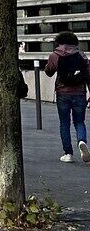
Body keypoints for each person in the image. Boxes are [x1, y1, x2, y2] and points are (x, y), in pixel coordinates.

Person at [44, 31, 90, 163]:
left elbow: (49, 72)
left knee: (64, 123)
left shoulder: (55, 55)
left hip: (62, 93)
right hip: (79, 93)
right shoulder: (81, 55)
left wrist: (50, 64)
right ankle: (82, 141)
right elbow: (88, 75)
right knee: (79, 121)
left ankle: (68, 153)